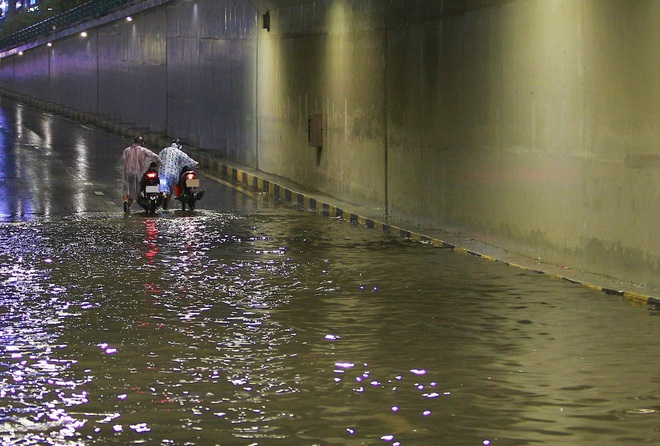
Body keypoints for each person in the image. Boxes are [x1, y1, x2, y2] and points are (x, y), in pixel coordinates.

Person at [121, 136, 163, 213]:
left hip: (127, 172)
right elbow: (155, 157)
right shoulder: (144, 150)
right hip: (137, 174)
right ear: (142, 143)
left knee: (126, 189)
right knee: (133, 191)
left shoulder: (126, 150)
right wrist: (161, 164)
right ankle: (128, 207)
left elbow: (122, 159)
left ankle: (125, 202)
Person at [158, 139, 199, 209]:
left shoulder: (164, 150)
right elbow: (188, 159)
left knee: (164, 188)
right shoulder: (179, 152)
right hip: (173, 173)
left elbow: (158, 158)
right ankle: (166, 205)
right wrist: (196, 164)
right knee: (170, 190)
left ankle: (164, 199)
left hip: (162, 173)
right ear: (179, 146)